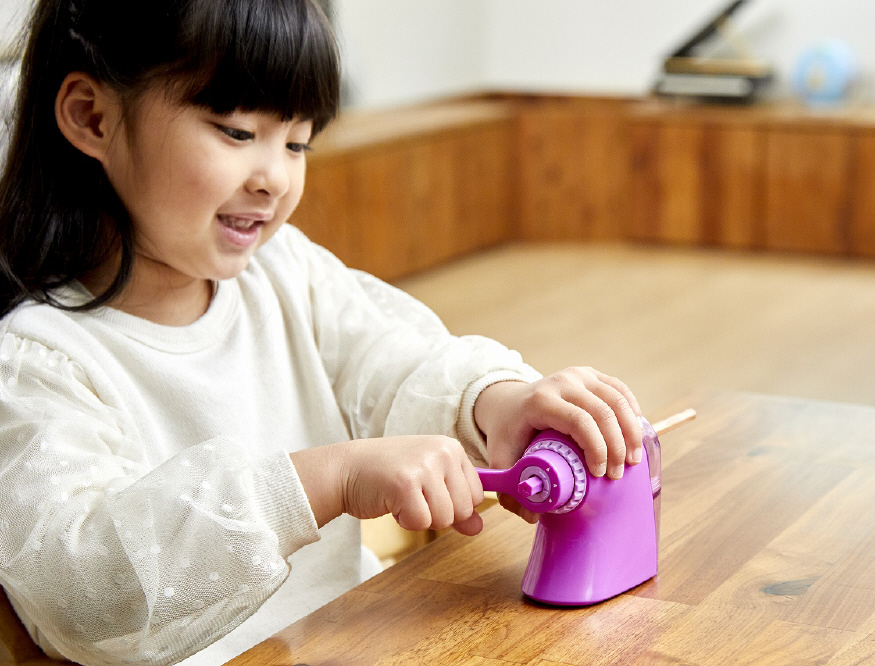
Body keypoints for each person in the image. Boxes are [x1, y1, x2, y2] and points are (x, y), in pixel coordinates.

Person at [0, 0, 646, 663]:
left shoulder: (283, 270)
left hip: (351, 641)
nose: (275, 179)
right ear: (92, 116)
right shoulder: (38, 360)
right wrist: (328, 479)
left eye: (297, 143)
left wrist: (495, 402)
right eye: (236, 132)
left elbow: (393, 358)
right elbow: (76, 588)